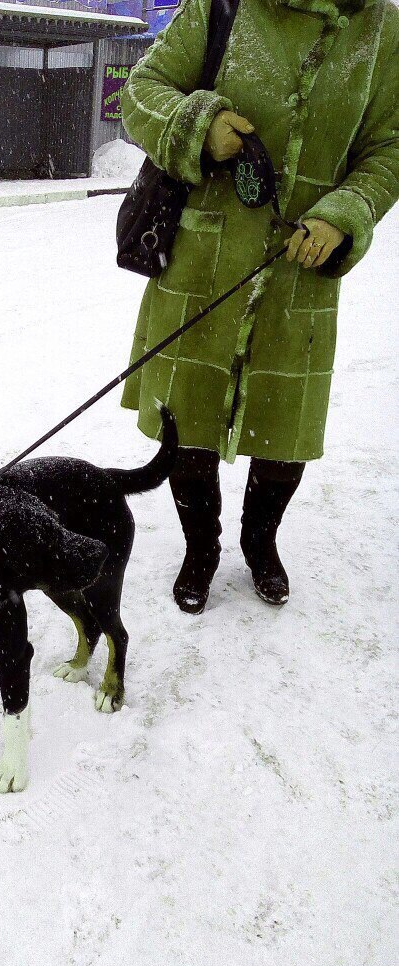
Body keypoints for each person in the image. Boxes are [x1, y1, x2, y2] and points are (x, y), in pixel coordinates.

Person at [119, 0, 398, 613]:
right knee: (186, 425)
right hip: (199, 259)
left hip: (302, 268)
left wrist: (346, 212)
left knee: (283, 432)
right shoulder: (221, 6)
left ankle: (259, 541)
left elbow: (389, 148)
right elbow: (141, 91)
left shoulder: (382, 27)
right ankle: (201, 548)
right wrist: (202, 124)